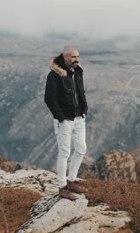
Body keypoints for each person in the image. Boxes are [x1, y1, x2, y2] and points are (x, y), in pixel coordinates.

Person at [44, 45, 89, 201]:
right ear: (65, 58)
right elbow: (49, 98)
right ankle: (62, 187)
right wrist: (61, 117)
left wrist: (84, 109)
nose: (76, 59)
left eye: (77, 56)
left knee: (81, 148)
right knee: (64, 153)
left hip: (79, 118)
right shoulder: (55, 75)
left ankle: (72, 180)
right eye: (72, 57)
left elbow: (80, 92)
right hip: (64, 120)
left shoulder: (77, 72)